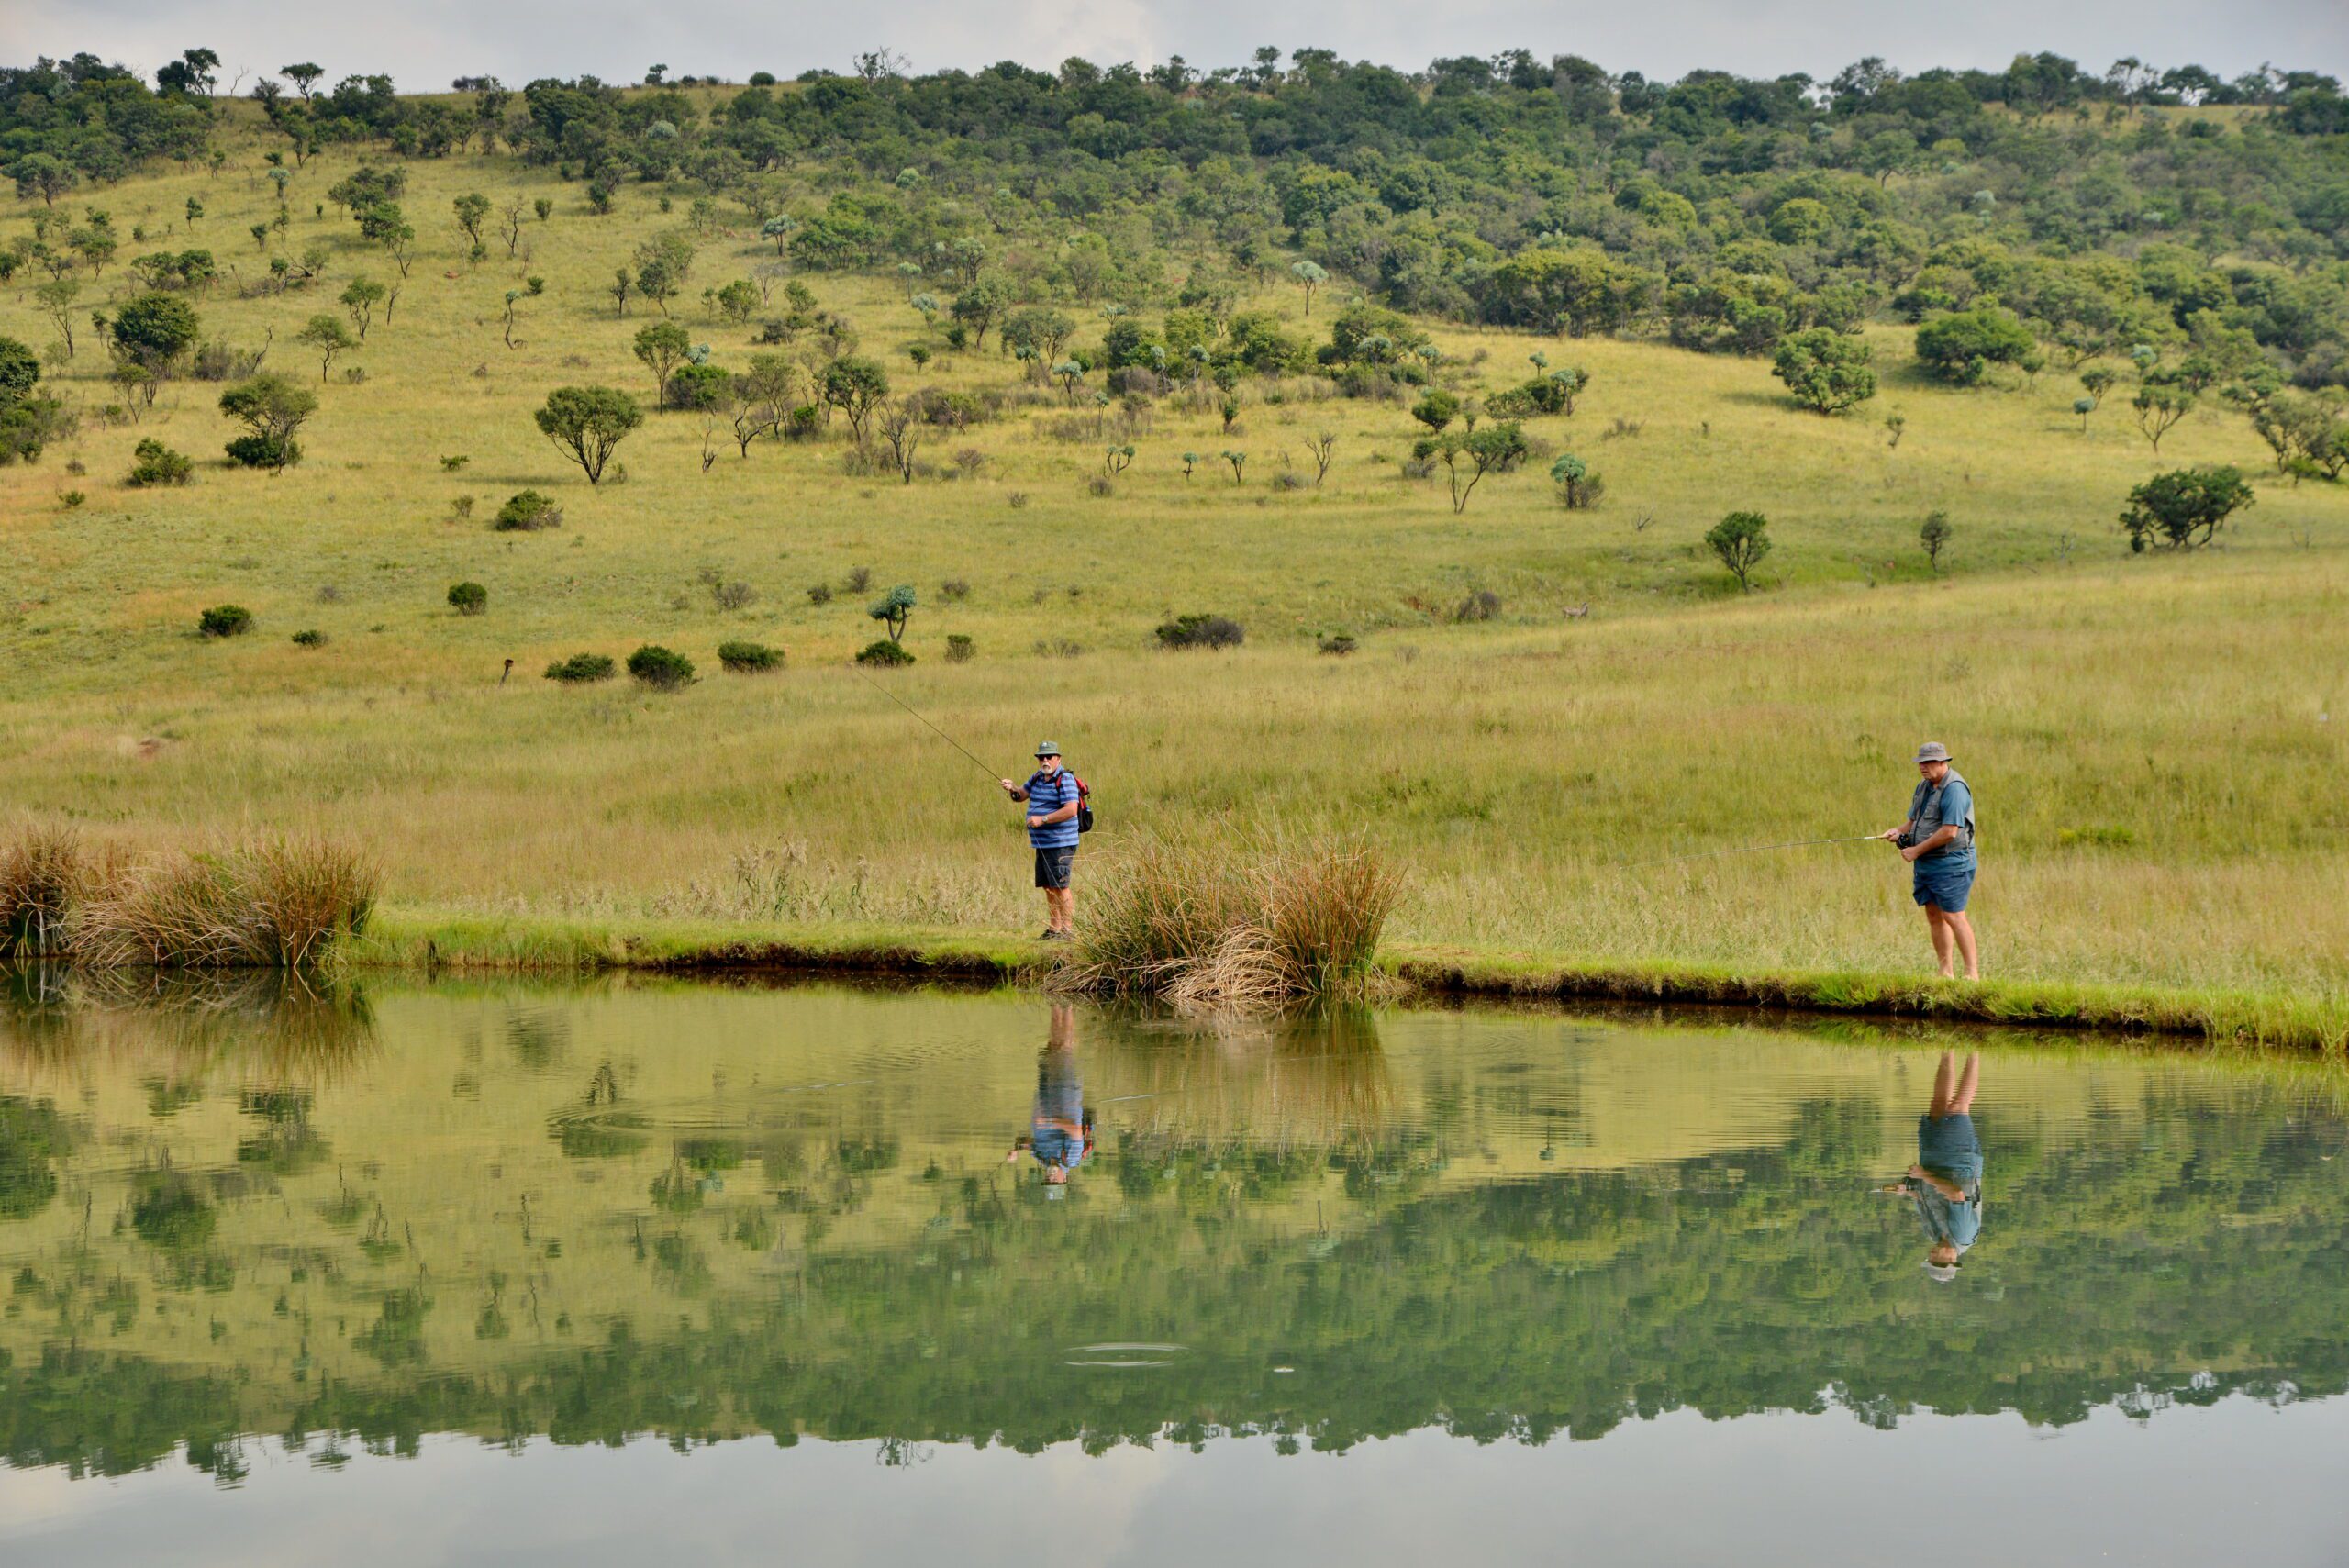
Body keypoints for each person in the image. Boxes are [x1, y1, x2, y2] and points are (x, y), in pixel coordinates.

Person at [1881, 1051, 1984, 1282]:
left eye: (1930, 1259)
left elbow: (1923, 1198)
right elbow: (1957, 1196)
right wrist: (1925, 1175)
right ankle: (1975, 1051)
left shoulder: (1932, 1234)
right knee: (1958, 1107)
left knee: (1937, 1107)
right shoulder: (1963, 1235)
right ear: (1950, 1259)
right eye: (1936, 1259)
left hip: (1934, 1159)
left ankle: (1947, 1050)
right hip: (1959, 1162)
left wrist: (1907, 1191)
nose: (1931, 1254)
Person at [1883, 741, 1978, 980]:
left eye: (1928, 762)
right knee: (1935, 916)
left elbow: (1949, 832)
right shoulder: (1923, 787)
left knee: (1954, 916)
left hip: (1952, 863)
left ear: (1943, 762)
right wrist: (1897, 831)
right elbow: (1914, 822)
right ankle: (1945, 972)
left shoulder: (1954, 789)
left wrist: (1915, 851)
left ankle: (1971, 974)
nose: (1923, 767)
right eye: (1921, 763)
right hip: (1928, 864)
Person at [1007, 1003, 1092, 1193]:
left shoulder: (1043, 1159)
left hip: (1044, 1097)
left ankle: (1055, 1004)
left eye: (1048, 1180)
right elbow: (1076, 1131)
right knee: (1064, 1048)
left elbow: (1029, 1142)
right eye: (1055, 1181)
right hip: (1065, 1096)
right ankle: (1069, 1005)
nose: (1050, 1177)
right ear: (1064, 1179)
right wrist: (1049, 1121)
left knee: (1053, 1047)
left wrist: (1017, 1149)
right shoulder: (1070, 1158)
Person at [1001, 741, 1081, 940]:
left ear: (1058, 758)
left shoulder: (1066, 779)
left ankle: (1067, 931)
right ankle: (1054, 929)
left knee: (1061, 885)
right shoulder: (1037, 777)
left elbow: (1071, 810)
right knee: (1048, 885)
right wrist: (1012, 788)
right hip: (1042, 843)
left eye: (1050, 756)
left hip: (1060, 841)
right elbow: (1021, 796)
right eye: (1041, 757)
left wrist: (1042, 819)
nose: (1045, 760)